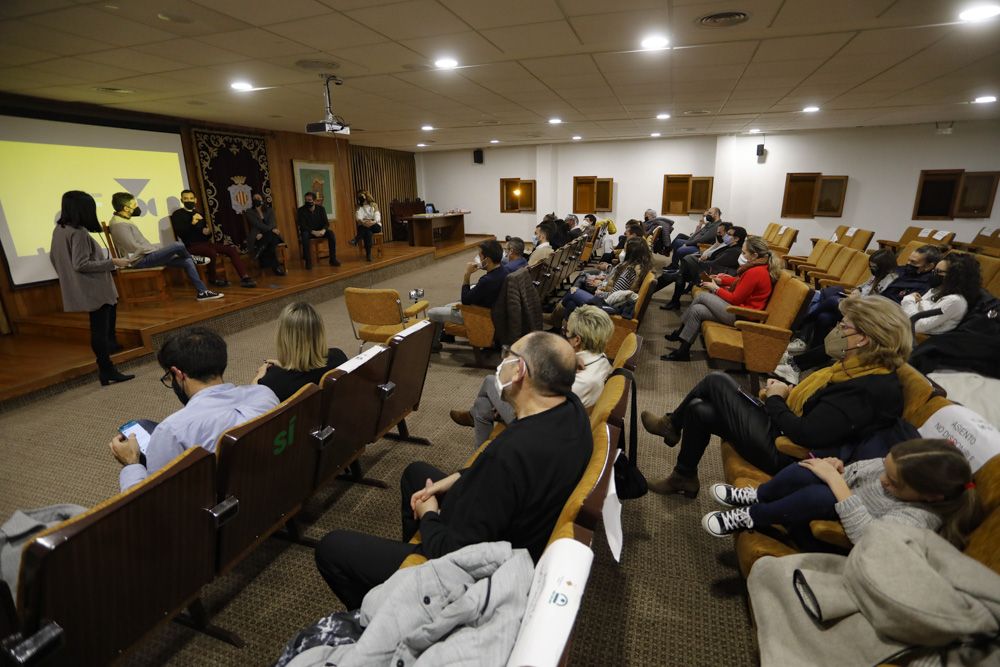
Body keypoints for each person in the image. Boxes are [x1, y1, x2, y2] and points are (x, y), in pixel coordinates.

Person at [313, 332, 592, 610]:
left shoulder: (509, 454)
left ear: (519, 371)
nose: (502, 362)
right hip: (513, 523)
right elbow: (509, 481)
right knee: (416, 474)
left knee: (332, 548)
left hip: (473, 570)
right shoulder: (571, 411)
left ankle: (400, 605)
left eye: (509, 355)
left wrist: (430, 516)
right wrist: (454, 480)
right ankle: (402, 581)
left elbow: (453, 552)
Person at [641, 295, 911, 497]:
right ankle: (683, 476)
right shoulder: (853, 366)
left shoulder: (868, 386)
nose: (836, 330)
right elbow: (821, 410)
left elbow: (807, 434)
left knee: (716, 380)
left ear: (863, 339)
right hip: (783, 433)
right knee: (699, 409)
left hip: (791, 456)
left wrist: (775, 398)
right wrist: (786, 393)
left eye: (843, 325)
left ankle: (671, 424)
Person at [702, 439, 981, 552]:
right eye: (886, 468)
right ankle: (758, 496)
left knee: (820, 496)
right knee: (808, 470)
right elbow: (855, 474)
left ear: (930, 496)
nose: (883, 480)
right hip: (834, 509)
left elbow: (869, 539)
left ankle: (751, 516)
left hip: (839, 541)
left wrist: (836, 482)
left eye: (893, 483)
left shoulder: (922, 518)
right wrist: (837, 469)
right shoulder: (895, 468)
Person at [108, 327, 279, 492]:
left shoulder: (173, 431)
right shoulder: (266, 395)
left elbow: (149, 505)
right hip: (269, 492)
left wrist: (132, 463)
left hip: (218, 516)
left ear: (178, 374)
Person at [450, 304, 614, 445]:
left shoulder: (578, 381)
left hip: (538, 427)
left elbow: (534, 407)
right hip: (561, 422)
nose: (564, 334)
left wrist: (511, 401)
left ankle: (474, 420)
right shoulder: (602, 361)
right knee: (482, 406)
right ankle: (477, 427)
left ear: (577, 340)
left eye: (566, 331)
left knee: (490, 381)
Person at [49, 190, 134, 386]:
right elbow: (81, 264)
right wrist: (113, 262)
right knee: (99, 330)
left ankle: (107, 368)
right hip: (94, 288)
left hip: (83, 287)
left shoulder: (60, 229)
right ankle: (106, 369)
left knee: (99, 328)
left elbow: (54, 259)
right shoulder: (78, 233)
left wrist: (68, 278)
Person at [662, 235, 780, 361]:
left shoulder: (755, 272)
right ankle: (683, 351)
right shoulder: (759, 267)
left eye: (744, 253)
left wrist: (715, 288)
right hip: (740, 311)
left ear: (755, 255)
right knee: (697, 310)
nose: (742, 255)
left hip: (743, 315)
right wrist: (720, 280)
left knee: (702, 296)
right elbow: (739, 281)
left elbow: (734, 299)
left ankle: (680, 332)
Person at [108, 192, 222, 301]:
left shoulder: (123, 220)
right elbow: (132, 248)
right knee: (178, 245)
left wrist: (157, 251)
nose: (137, 207)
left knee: (187, 261)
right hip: (139, 261)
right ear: (126, 208)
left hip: (148, 256)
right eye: (134, 205)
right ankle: (192, 257)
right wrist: (156, 250)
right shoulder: (119, 225)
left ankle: (202, 292)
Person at [254, 302, 348, 402]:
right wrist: (285, 364)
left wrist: (259, 375)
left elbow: (253, 397)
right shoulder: (339, 357)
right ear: (319, 332)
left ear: (283, 337)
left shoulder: (272, 381)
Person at [427, 239, 506, 349]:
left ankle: (434, 346)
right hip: (492, 312)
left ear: (487, 260)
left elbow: (465, 300)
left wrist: (467, 275)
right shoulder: (504, 271)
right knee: (446, 307)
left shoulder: (487, 280)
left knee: (432, 312)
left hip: (478, 315)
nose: (478, 259)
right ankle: (446, 334)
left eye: (480, 256)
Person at [170, 189, 256, 288]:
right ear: (182, 200)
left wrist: (208, 232)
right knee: (211, 252)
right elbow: (181, 233)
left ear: (195, 200)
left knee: (231, 249)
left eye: (191, 198)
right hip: (191, 246)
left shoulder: (199, 214)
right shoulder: (177, 215)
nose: (188, 200)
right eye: (185, 198)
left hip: (206, 243)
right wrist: (192, 223)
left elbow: (207, 235)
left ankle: (245, 277)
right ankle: (213, 278)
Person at [559, 237, 652, 324]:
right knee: (571, 303)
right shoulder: (639, 266)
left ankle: (558, 319)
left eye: (624, 249)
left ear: (631, 253)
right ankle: (563, 328)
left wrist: (599, 291)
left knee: (572, 292)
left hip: (609, 306)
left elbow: (614, 295)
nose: (622, 252)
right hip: (611, 302)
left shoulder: (630, 271)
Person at [658, 223, 744, 311]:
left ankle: (671, 299)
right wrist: (703, 259)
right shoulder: (728, 247)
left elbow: (714, 265)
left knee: (688, 259)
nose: (725, 236)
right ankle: (674, 301)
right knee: (680, 275)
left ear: (737, 238)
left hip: (710, 277)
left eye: (729, 234)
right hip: (708, 272)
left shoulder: (734, 252)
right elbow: (714, 259)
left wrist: (700, 261)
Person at [901, 252, 980, 335]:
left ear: (953, 276)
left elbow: (918, 326)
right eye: (934, 270)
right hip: (905, 327)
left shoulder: (954, 301)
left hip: (919, 338)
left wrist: (908, 300)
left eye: (938, 271)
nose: (933, 274)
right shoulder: (937, 289)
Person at [245, 192, 286, 275]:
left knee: (271, 238)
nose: (256, 200)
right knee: (273, 237)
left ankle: (261, 249)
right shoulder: (249, 212)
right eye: (254, 199)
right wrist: (271, 230)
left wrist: (269, 231)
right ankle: (276, 268)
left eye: (258, 198)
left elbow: (272, 223)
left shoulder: (269, 210)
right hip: (258, 236)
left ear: (262, 200)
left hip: (265, 238)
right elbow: (257, 224)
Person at [297, 191, 340, 269]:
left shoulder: (321, 209)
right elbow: (302, 225)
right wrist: (313, 232)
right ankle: (308, 261)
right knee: (304, 235)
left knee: (331, 233)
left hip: (320, 231)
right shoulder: (301, 210)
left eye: (309, 200)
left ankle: (333, 259)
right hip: (309, 232)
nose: (307, 202)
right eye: (306, 200)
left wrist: (323, 230)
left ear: (314, 201)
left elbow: (326, 223)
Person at [351, 189, 382, 262]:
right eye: (359, 198)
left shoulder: (374, 205)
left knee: (365, 230)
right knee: (368, 233)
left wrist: (372, 222)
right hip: (364, 224)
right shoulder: (359, 206)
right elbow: (358, 217)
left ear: (366, 197)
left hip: (375, 225)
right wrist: (363, 222)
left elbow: (377, 216)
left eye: (362, 197)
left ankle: (356, 239)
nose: (361, 199)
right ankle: (368, 255)